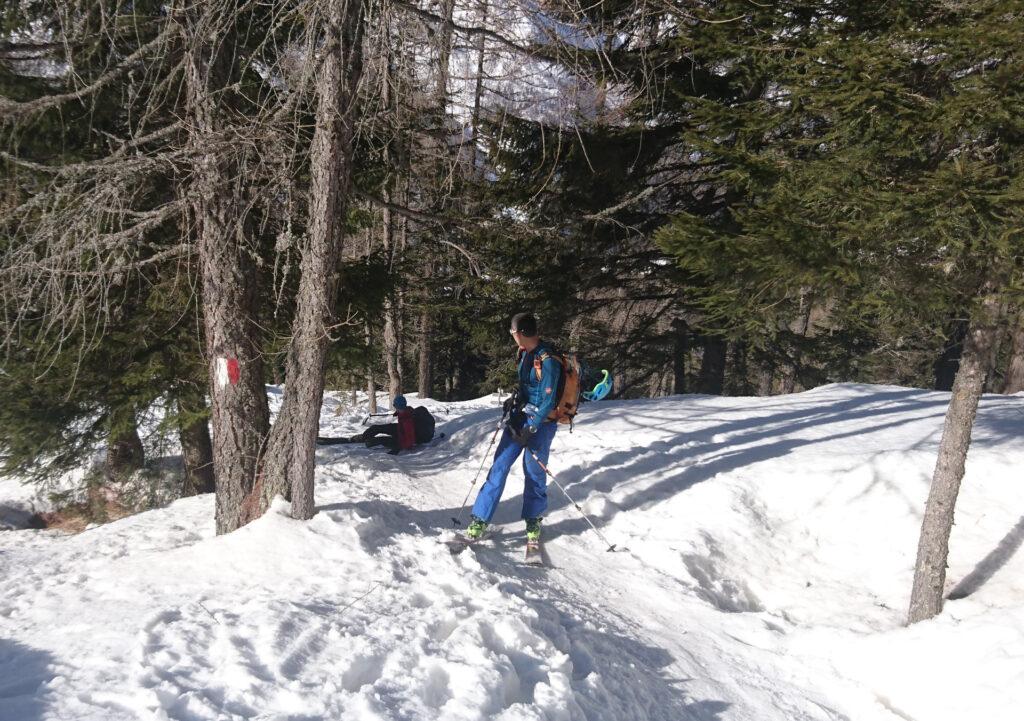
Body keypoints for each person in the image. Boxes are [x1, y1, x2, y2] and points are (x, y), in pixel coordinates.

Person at [466, 312, 561, 543]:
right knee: (499, 466)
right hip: (519, 418)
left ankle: (533, 521)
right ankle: (480, 519)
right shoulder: (524, 353)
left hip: (542, 424)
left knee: (534, 472)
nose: (512, 335)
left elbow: (548, 401)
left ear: (523, 333)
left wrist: (533, 428)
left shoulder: (548, 360)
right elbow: (527, 387)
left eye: (513, 331)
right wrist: (515, 399)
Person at [318, 396, 435, 455]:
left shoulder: (408, 420)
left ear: (399, 406)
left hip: (402, 440)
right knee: (377, 428)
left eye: (395, 406)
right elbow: (402, 420)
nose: (395, 408)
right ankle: (363, 437)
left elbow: (409, 440)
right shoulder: (405, 412)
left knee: (378, 440)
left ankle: (369, 440)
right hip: (400, 431)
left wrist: (397, 449)